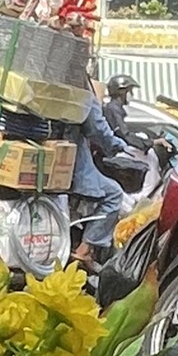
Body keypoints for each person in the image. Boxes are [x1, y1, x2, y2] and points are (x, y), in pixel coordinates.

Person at [71, 93, 141, 261]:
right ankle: (84, 250)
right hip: (72, 161)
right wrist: (117, 145)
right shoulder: (81, 88)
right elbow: (96, 127)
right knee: (113, 193)